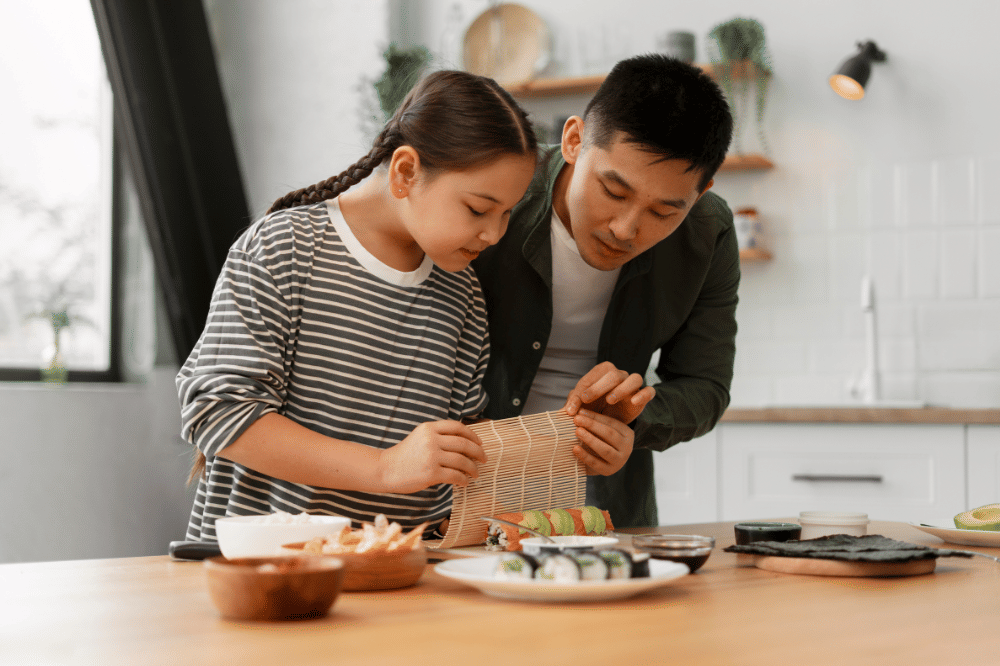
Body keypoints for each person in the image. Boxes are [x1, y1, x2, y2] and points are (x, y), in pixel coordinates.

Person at [176, 70, 538, 541]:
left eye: (507, 212)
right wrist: (386, 467)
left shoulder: (462, 293)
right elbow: (220, 412)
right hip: (266, 577)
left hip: (393, 583)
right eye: (477, 209)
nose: (494, 234)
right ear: (406, 171)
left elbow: (454, 452)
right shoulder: (284, 247)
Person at [472, 54, 738, 529]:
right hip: (465, 483)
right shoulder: (498, 190)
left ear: (701, 192)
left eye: (664, 212)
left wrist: (634, 422)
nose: (626, 228)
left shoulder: (708, 232)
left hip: (605, 503)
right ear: (574, 140)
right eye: (613, 191)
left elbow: (706, 386)